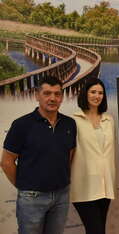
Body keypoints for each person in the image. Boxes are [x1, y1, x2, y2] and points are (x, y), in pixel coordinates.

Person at [0, 76, 77, 234]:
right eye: (47, 93)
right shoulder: (21, 125)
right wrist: (25, 187)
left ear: (62, 97)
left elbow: (70, 153)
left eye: (57, 94)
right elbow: (7, 162)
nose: (52, 98)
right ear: (37, 95)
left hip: (61, 196)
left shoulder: (70, 124)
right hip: (31, 198)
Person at [70, 78, 116, 234]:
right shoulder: (73, 120)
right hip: (84, 184)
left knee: (99, 229)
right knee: (95, 229)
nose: (97, 96)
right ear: (85, 93)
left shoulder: (109, 120)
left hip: (105, 184)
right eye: (93, 92)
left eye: (101, 93)